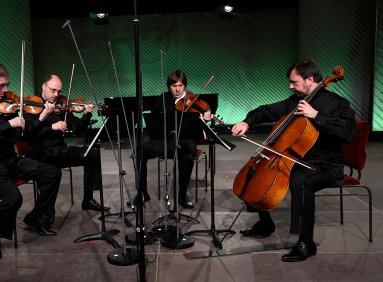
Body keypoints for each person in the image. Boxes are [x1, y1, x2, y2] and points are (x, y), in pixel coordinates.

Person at [231, 59, 357, 262]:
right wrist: (247, 121)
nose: (290, 86)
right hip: (298, 160)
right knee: (257, 173)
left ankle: (306, 243)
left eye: (294, 82)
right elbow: (265, 110)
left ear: (309, 80)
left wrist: (316, 115)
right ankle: (265, 224)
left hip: (326, 165)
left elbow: (349, 133)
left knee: (301, 180)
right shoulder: (295, 102)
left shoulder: (337, 104)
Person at [0, 61, 62, 260]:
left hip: (8, 161)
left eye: (6, 85)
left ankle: (34, 217)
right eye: (1, 86)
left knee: (52, 173)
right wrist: (7, 125)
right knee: (13, 197)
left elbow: (22, 136)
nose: (5, 90)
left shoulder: (6, 104)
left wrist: (37, 119)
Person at [23, 74, 109, 228]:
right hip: (39, 152)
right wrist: (51, 127)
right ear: (44, 87)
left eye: (59, 91)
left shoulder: (63, 106)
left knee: (92, 153)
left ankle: (88, 199)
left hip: (59, 151)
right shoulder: (31, 105)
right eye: (53, 90)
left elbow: (77, 130)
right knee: (51, 169)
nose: (56, 95)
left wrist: (87, 114)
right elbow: (28, 134)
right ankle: (45, 213)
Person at [137, 69, 213, 209]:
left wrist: (204, 119)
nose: (177, 90)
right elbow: (155, 120)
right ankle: (142, 192)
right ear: (169, 86)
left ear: (185, 85)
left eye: (180, 86)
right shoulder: (163, 98)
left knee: (187, 158)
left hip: (185, 140)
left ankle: (182, 195)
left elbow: (198, 126)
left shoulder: (194, 100)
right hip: (165, 139)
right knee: (140, 151)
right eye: (173, 86)